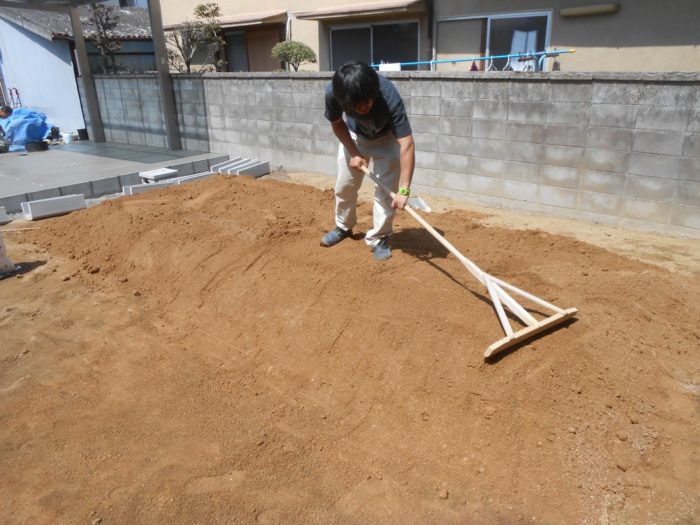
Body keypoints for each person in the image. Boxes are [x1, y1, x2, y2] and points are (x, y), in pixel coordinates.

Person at [321, 61, 415, 261]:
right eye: (356, 105)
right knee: (345, 186)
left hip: (386, 139)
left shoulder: (388, 95)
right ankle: (343, 227)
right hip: (354, 137)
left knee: (385, 192)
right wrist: (354, 152)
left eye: (366, 101)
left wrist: (404, 189)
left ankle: (379, 237)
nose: (363, 108)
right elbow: (337, 124)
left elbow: (406, 143)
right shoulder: (333, 94)